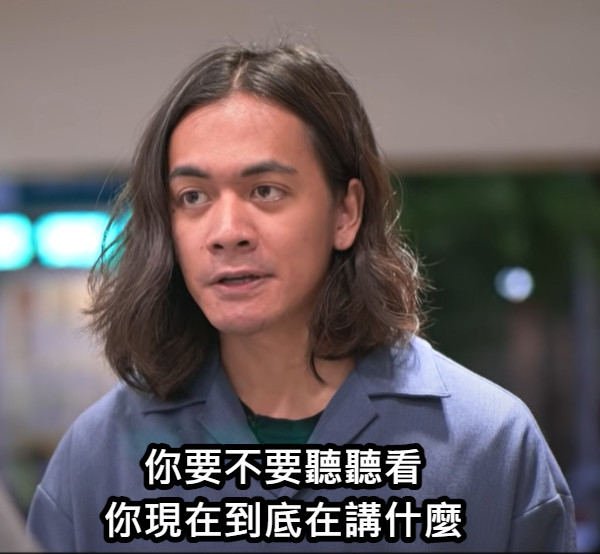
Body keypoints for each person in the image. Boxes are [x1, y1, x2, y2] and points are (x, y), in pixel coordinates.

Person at [27, 42, 575, 551]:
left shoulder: (488, 446)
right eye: (192, 197)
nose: (226, 232)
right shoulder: (97, 460)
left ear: (346, 212)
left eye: (266, 191)